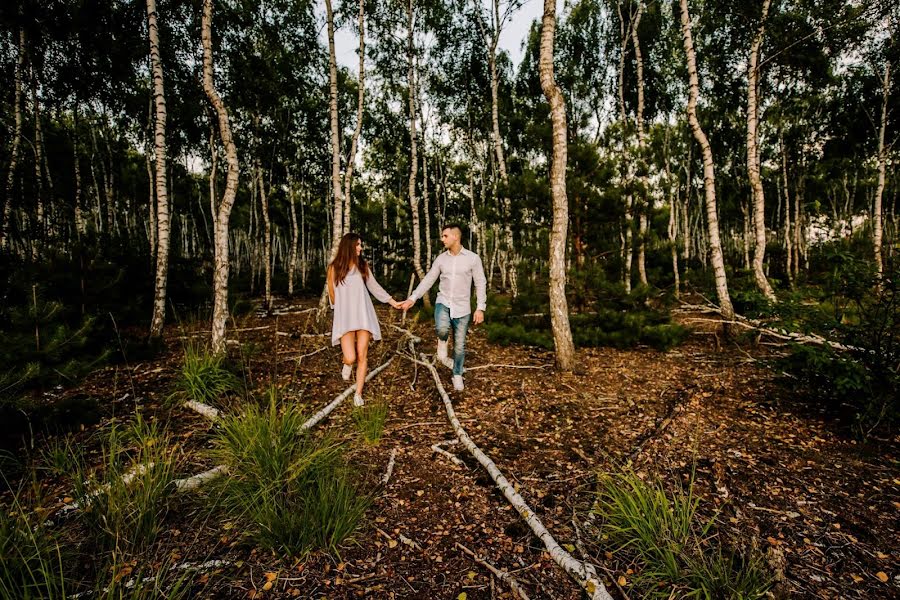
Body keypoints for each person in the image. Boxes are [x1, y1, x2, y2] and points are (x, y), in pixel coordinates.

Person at [399, 223, 486, 391]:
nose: (442, 239)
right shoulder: (441, 259)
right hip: (443, 303)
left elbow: (480, 283)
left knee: (460, 346)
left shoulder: (473, 259)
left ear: (456, 236)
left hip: (463, 308)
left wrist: (480, 307)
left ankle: (457, 374)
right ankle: (442, 344)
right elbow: (429, 280)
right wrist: (413, 298)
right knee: (442, 330)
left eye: (445, 236)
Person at [328, 233, 400, 406]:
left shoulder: (362, 266)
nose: (360, 248)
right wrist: (342, 310)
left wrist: (392, 302)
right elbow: (332, 294)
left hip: (363, 315)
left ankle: (358, 394)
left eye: (361, 245)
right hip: (345, 318)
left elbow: (374, 287)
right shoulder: (334, 268)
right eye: (358, 245)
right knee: (351, 357)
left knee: (362, 355)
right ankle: (346, 364)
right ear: (349, 246)